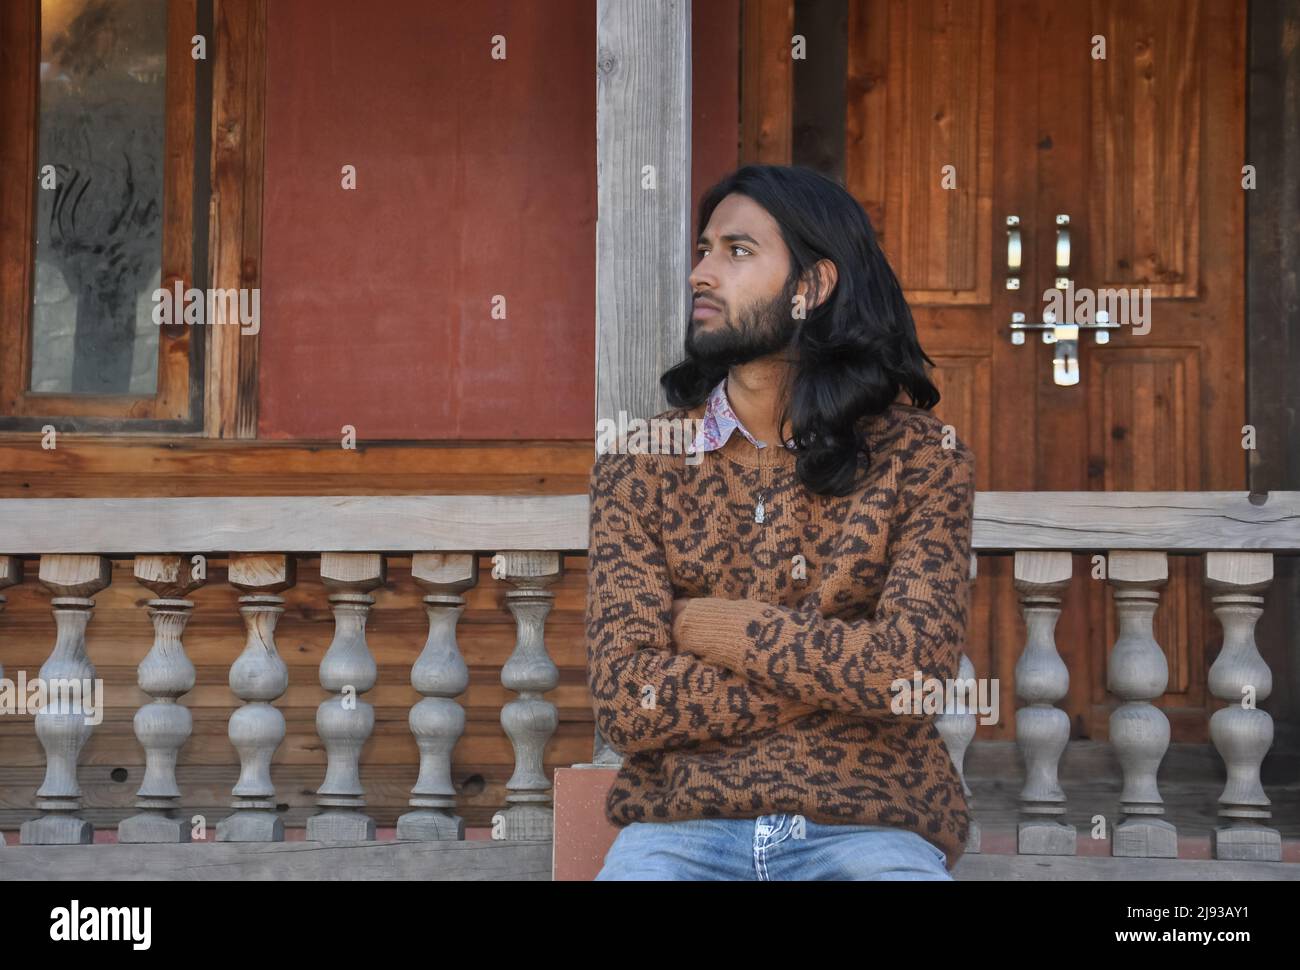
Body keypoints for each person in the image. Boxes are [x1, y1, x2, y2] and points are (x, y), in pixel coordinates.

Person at [586, 164, 974, 880]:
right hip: (683, 822)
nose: (703, 272)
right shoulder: (641, 463)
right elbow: (627, 702)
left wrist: (709, 626)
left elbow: (908, 675)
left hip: (869, 820)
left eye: (736, 252)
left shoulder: (922, 458)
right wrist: (838, 674)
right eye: (703, 251)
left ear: (812, 287)